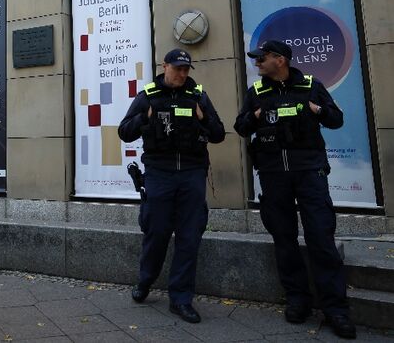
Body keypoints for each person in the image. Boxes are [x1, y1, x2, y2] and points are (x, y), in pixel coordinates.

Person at [234, 40, 355, 339]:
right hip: (274, 175)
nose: (257, 62)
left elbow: (337, 119)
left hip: (309, 172)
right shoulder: (257, 92)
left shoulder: (312, 86)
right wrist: (255, 117)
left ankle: (335, 309)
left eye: (262, 58)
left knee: (321, 237)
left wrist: (317, 109)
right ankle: (298, 300)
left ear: (281, 59)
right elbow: (240, 126)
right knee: (284, 239)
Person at [118, 49, 225, 324]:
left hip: (191, 173)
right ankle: (146, 280)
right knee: (157, 232)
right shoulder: (149, 95)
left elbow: (219, 134)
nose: (182, 74)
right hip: (159, 173)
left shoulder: (198, 95)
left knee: (189, 237)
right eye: (177, 68)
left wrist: (203, 117)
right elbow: (124, 131)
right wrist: (145, 117)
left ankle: (181, 299)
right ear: (164, 66)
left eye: (186, 69)